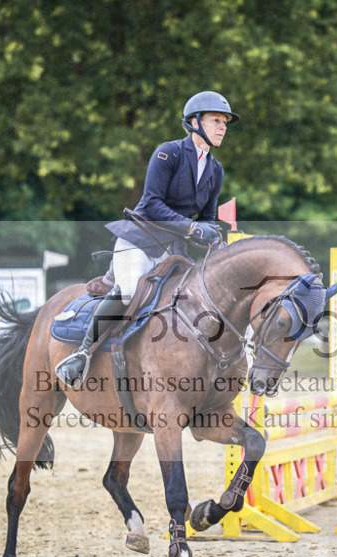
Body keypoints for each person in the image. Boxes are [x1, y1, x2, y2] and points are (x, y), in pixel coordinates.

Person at [55, 91, 239, 388]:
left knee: (193, 299)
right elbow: (152, 203)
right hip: (139, 240)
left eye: (225, 123)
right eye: (216, 120)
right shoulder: (168, 153)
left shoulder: (215, 170)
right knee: (128, 293)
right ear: (194, 122)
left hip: (173, 251)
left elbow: (205, 216)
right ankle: (82, 355)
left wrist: (212, 237)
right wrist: (192, 229)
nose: (223, 127)